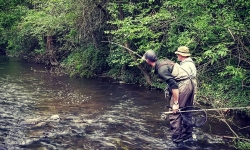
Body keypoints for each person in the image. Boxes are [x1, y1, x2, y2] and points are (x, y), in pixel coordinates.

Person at [142, 49, 195, 147]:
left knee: (174, 113)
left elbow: (174, 85)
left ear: (148, 61)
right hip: (191, 84)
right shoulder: (162, 62)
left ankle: (178, 142)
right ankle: (188, 137)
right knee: (186, 111)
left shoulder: (161, 70)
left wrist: (175, 103)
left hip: (183, 85)